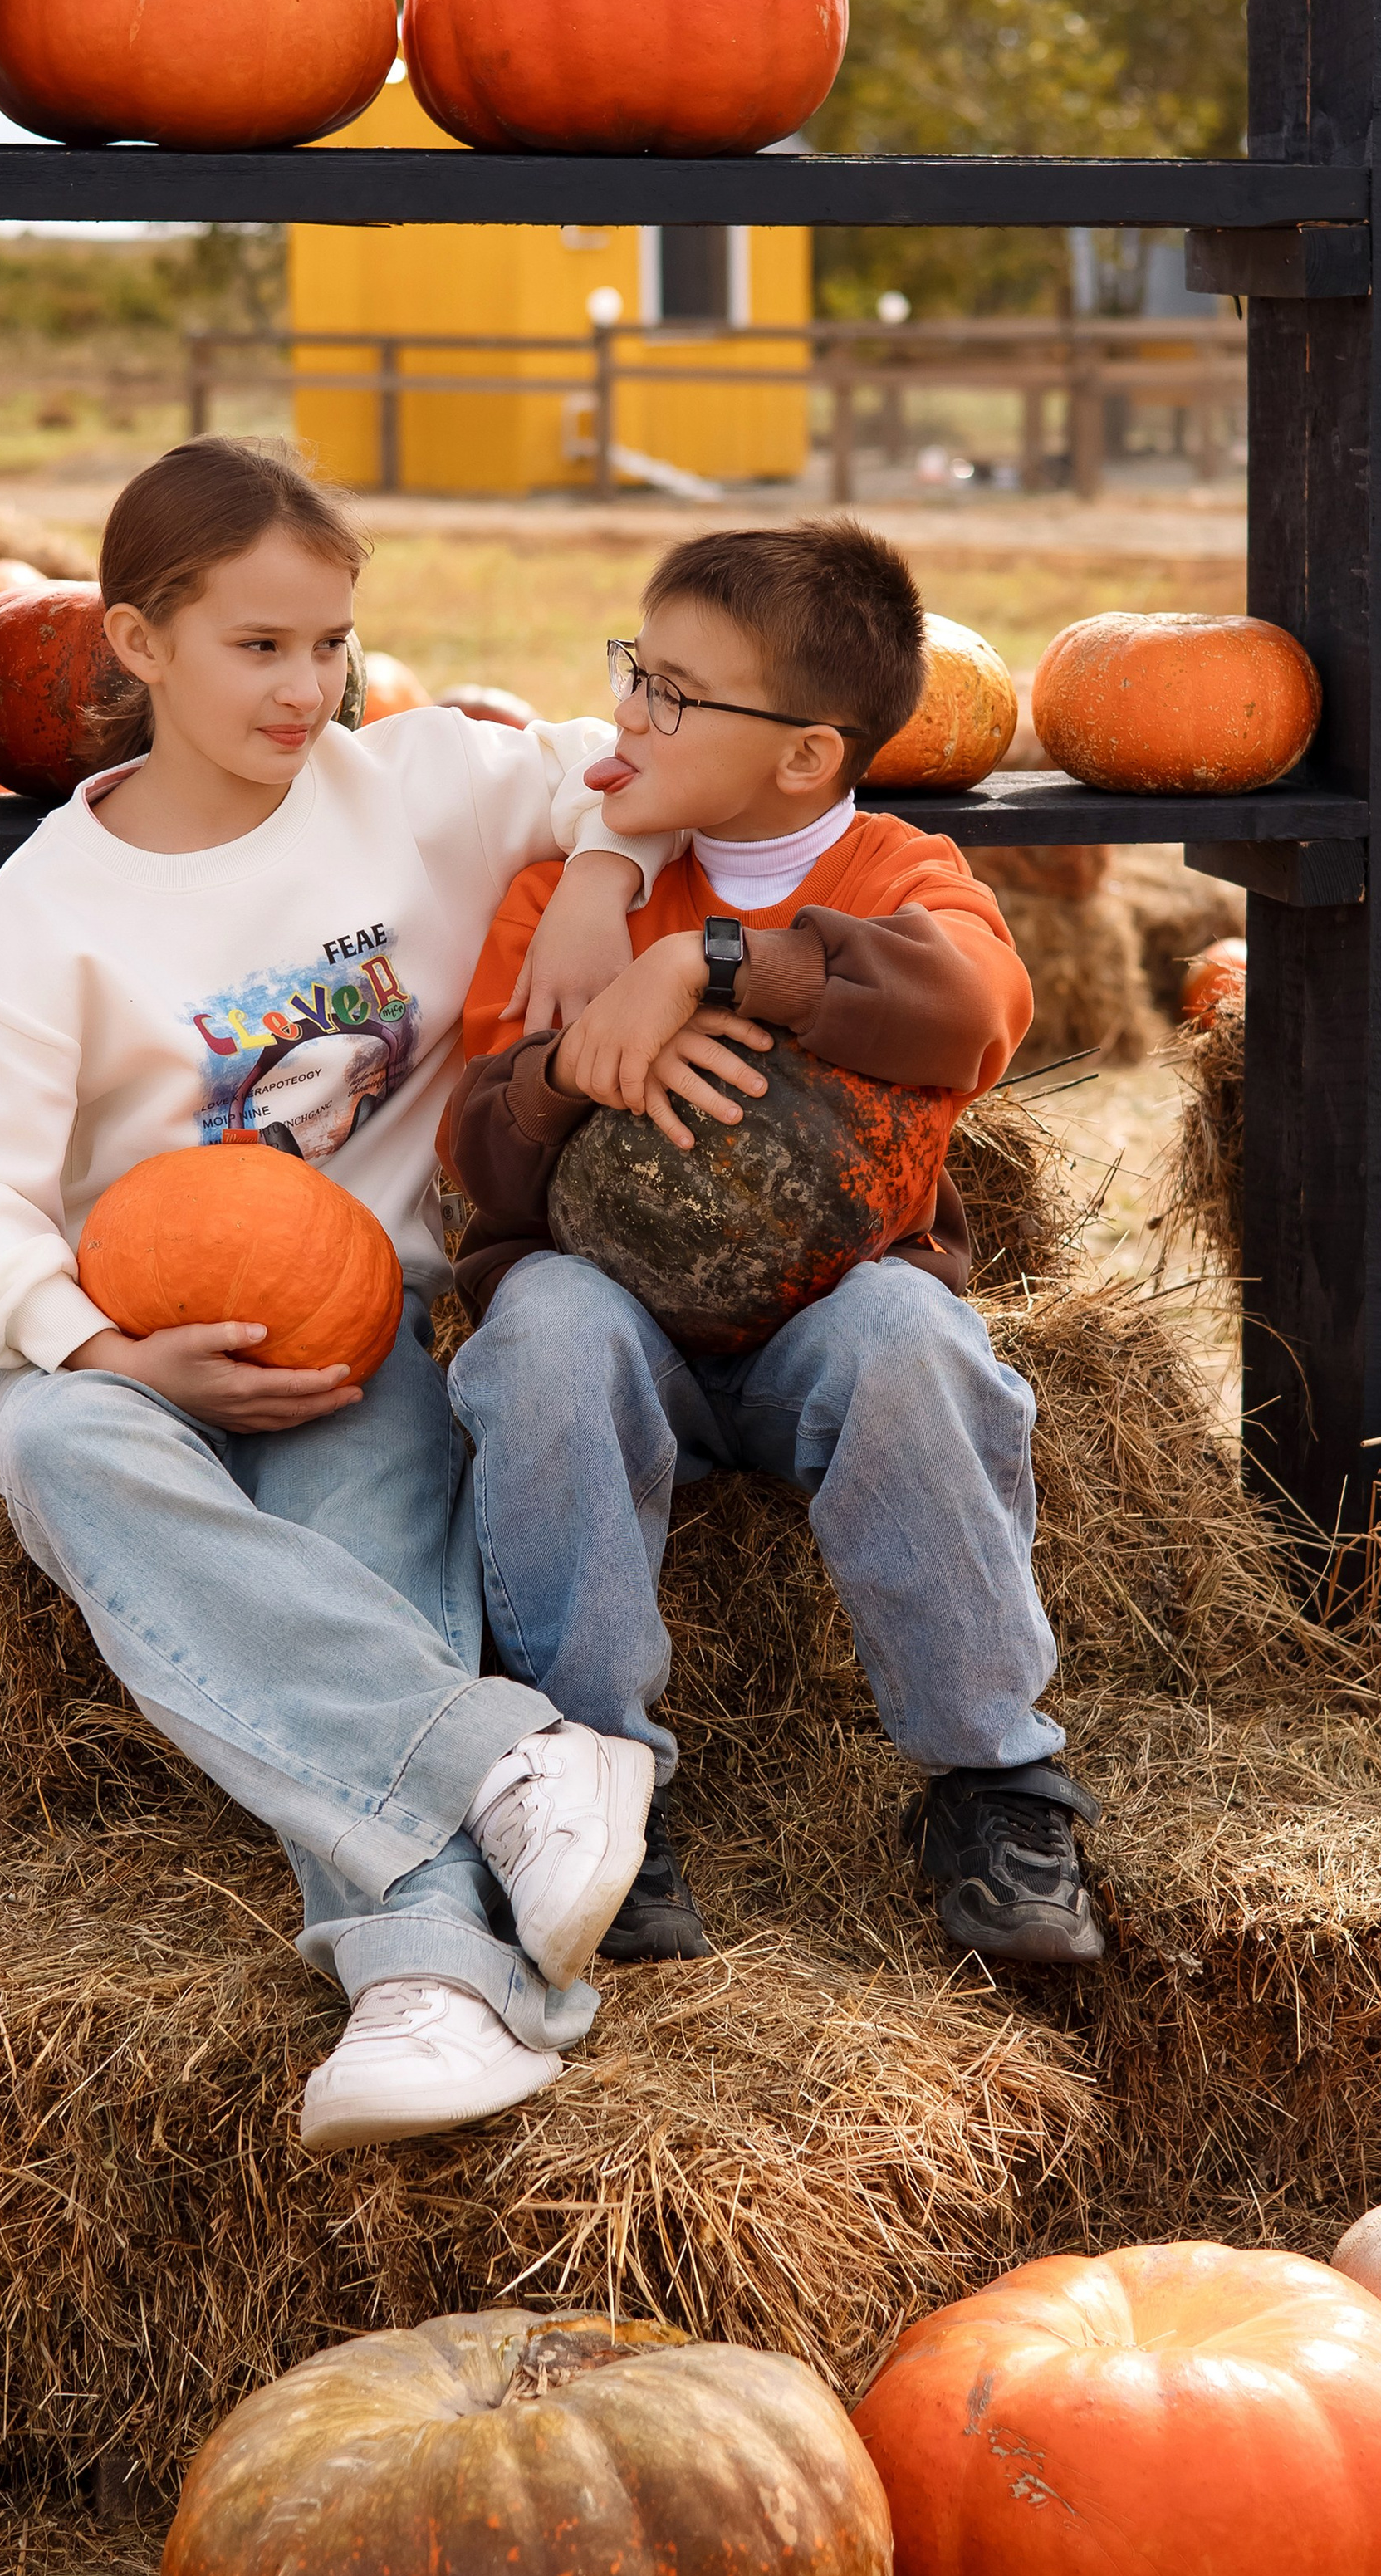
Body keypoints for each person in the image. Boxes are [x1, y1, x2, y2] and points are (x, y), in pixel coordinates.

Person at [0, 436, 681, 2156]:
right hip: (133, 1329)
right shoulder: (60, 908)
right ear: (134, 644)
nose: (305, 684)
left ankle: (422, 1978)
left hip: (357, 1315)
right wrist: (98, 1341)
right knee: (51, 1444)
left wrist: (608, 877)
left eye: (329, 641)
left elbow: (621, 773)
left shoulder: (410, 786)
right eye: (259, 646)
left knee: (361, 1519)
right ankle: (505, 1767)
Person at [441, 518, 1104, 1969]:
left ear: (806, 754)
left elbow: (976, 1010)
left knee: (915, 1338)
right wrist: (567, 1072)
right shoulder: (566, 905)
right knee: (540, 1323)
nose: (628, 711)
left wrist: (715, 960)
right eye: (635, 669)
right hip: (623, 1332)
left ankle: (996, 1781)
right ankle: (595, 1786)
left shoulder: (897, 873)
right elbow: (476, 1162)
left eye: (676, 691)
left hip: (824, 1329)